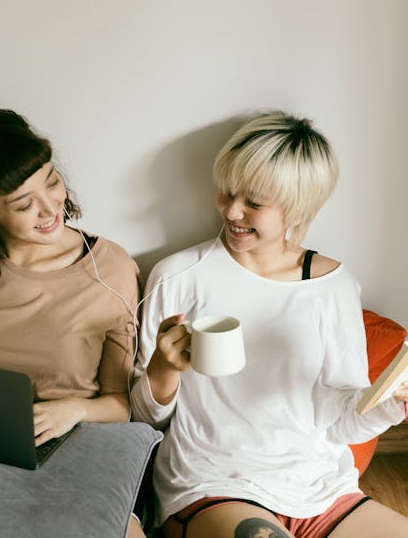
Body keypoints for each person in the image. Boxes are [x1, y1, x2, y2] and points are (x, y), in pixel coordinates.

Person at [131, 110, 408, 538]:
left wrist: (389, 406)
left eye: (254, 203)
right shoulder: (179, 275)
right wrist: (163, 370)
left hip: (321, 487)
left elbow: (339, 423)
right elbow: (143, 419)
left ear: (297, 207)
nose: (231, 211)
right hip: (212, 482)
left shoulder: (333, 287)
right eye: (226, 192)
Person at [0, 108, 145, 538]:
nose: (50, 207)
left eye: (51, 182)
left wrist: (70, 411)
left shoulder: (110, 270)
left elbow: (120, 404)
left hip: (75, 444)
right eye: (23, 203)